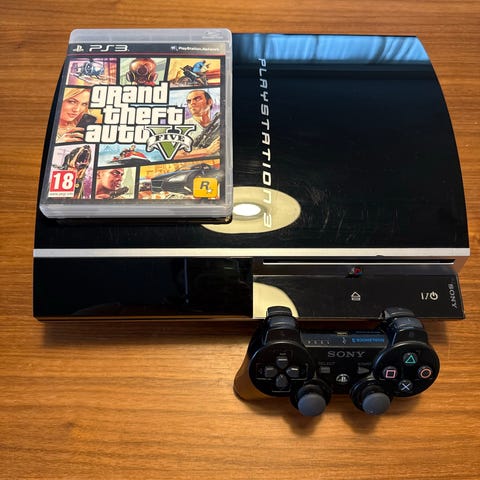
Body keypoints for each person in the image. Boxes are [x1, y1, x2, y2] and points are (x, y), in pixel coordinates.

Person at [175, 89, 220, 159]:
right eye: (189, 101)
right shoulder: (182, 126)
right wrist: (207, 151)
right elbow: (174, 155)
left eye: (197, 99)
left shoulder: (217, 126)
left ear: (209, 102)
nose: (192, 103)